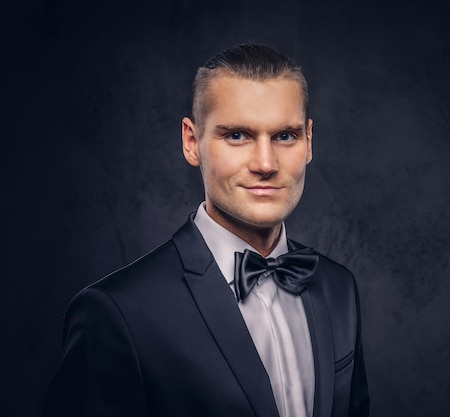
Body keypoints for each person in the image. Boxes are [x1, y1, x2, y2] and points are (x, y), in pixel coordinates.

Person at [42, 43, 369, 417]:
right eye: (237, 136)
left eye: (284, 136)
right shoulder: (115, 313)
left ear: (309, 141)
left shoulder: (339, 288)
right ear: (191, 141)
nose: (265, 163)